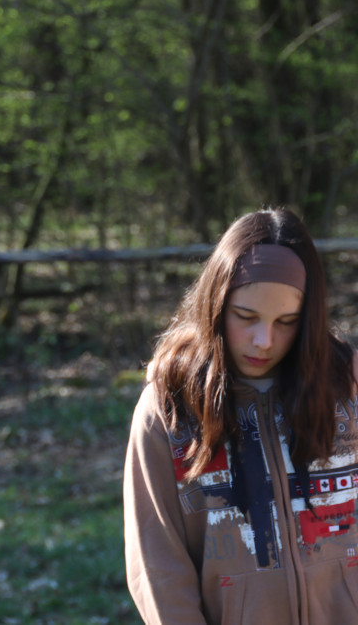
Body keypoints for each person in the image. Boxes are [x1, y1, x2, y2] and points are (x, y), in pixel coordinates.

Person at [123, 207, 358, 624]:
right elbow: (159, 567)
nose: (263, 341)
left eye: (287, 322)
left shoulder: (349, 387)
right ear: (216, 304)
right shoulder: (169, 409)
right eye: (245, 317)